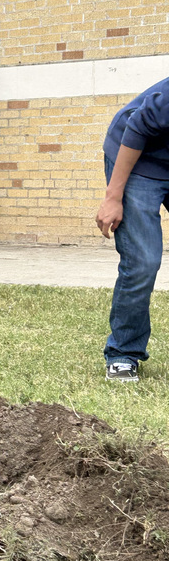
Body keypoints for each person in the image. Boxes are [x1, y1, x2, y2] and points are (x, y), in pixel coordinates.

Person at [95, 79, 169, 383]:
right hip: (138, 159)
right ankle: (124, 352)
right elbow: (138, 126)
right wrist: (113, 197)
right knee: (143, 260)